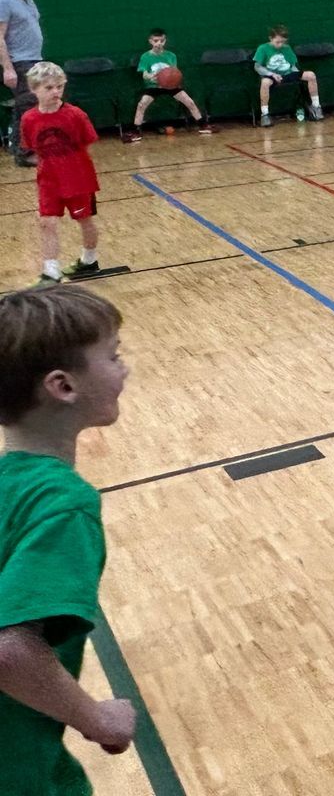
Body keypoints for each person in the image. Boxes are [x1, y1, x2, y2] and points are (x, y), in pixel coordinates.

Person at [0, 286, 136, 790]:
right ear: (63, 386)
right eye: (113, 356)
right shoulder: (64, 504)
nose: (124, 370)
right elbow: (10, 651)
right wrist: (98, 719)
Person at [20, 65, 105, 288]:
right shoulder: (29, 119)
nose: (56, 92)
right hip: (48, 181)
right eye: (49, 88)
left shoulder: (75, 115)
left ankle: (89, 260)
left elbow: (87, 142)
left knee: (84, 219)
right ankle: (51, 271)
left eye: (59, 86)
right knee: (46, 223)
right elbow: (33, 148)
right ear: (34, 89)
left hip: (78, 179)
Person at [128, 28, 211, 140]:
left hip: (170, 86)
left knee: (189, 102)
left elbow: (174, 72)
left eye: (161, 41)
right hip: (153, 86)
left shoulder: (171, 55)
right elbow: (144, 74)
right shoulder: (145, 57)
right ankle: (136, 131)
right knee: (141, 104)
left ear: (165, 41)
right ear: (150, 41)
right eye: (156, 41)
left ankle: (202, 125)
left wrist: (171, 81)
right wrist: (151, 77)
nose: (159, 43)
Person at [0, 0, 45, 167]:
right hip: (19, 61)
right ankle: (24, 153)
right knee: (27, 106)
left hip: (34, 59)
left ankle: (19, 147)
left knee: (24, 106)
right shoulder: (4, 0)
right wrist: (8, 68)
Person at [253, 25, 324, 127]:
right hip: (272, 75)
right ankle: (265, 114)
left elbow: (293, 65)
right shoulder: (263, 48)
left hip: (288, 73)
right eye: (277, 42)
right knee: (265, 83)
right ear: (271, 38)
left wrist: (295, 73)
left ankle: (316, 106)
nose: (280, 45)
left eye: (283, 42)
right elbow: (257, 67)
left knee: (311, 75)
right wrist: (272, 74)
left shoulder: (287, 48)